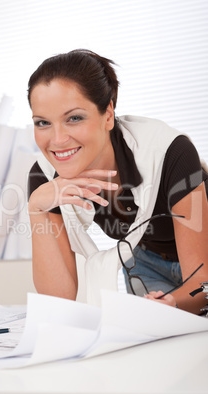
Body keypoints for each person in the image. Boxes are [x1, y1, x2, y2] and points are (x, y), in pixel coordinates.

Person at [27, 49, 208, 314]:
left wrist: (178, 301)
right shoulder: (45, 175)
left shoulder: (170, 152)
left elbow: (202, 284)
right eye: (43, 122)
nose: (57, 140)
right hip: (146, 262)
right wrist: (36, 210)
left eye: (74, 118)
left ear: (108, 114)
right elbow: (59, 299)